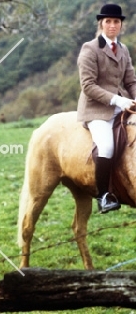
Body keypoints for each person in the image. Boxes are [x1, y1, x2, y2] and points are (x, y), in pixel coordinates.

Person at [77, 3, 136, 214]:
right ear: (101, 24)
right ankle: (103, 195)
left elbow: (130, 81)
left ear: (121, 25)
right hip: (97, 109)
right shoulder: (90, 49)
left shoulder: (123, 49)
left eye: (116, 22)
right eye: (108, 21)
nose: (112, 25)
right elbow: (88, 86)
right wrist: (118, 101)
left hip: (124, 106)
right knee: (106, 146)